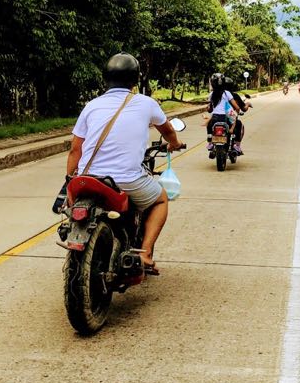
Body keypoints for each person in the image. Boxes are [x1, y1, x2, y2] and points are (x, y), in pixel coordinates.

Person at [66, 53, 183, 274]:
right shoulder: (147, 103)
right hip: (127, 180)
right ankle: (145, 253)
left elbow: (75, 149)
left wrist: (70, 180)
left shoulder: (91, 105)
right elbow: (167, 130)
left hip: (89, 178)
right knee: (160, 200)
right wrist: (174, 143)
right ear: (135, 79)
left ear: (106, 78)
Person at [206, 72, 249, 154]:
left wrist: (208, 108)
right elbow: (236, 107)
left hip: (214, 118)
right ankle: (236, 145)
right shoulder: (227, 93)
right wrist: (237, 112)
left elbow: (209, 109)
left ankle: (210, 142)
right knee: (238, 124)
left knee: (209, 125)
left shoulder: (211, 94)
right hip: (226, 118)